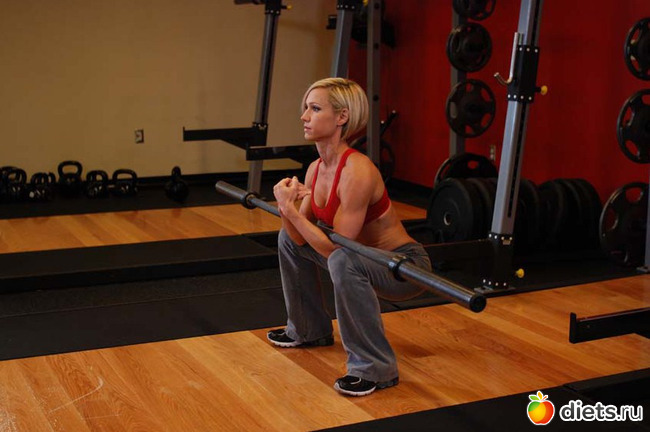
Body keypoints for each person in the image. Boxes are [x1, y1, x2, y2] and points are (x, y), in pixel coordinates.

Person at [268, 77, 432, 397]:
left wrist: (289, 209)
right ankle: (308, 329)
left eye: (315, 109)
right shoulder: (315, 169)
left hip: (402, 267)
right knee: (287, 239)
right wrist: (286, 209)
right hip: (359, 259)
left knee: (343, 259)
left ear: (341, 117)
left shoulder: (357, 170)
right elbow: (298, 239)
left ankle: (375, 368)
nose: (304, 116)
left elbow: (335, 248)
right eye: (306, 108)